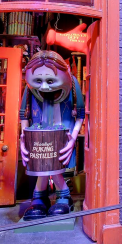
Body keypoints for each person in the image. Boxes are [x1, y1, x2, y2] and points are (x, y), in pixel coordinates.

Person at [19, 50, 85, 220]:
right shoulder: (29, 89)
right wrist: (23, 138)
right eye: (38, 81)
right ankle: (57, 195)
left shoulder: (73, 84)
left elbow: (80, 114)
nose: (44, 87)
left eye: (50, 81)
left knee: (54, 161)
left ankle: (44, 196)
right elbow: (23, 114)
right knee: (43, 160)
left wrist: (74, 137)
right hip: (39, 133)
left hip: (64, 134)